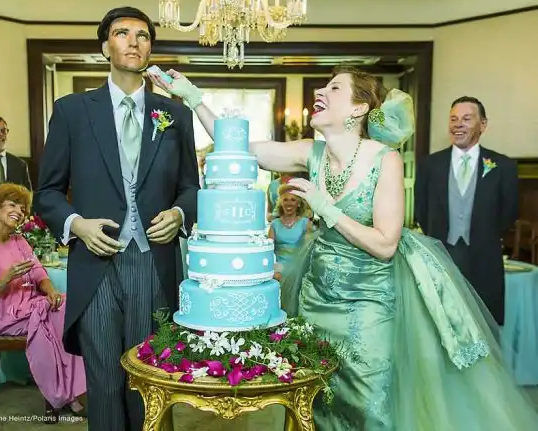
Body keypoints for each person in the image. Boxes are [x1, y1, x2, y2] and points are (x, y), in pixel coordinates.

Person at [148, 66, 538, 430]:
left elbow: (386, 244)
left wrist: (327, 210)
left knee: (368, 402)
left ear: (358, 108)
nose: (320, 91)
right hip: (317, 295)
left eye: (334, 88)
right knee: (318, 399)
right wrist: (194, 97)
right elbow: (240, 145)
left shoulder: (385, 160)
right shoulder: (311, 152)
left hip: (369, 301)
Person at [34, 7, 199, 430]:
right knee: (104, 381)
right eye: (122, 33)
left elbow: (190, 187)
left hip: (152, 261)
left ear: (150, 48)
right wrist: (77, 224)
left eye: (143, 35)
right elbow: (47, 192)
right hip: (95, 264)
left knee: (149, 378)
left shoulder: (175, 115)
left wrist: (179, 212)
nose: (133, 41)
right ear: (105, 46)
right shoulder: (72, 111)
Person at [0, 183, 85, 420]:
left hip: (27, 306)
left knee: (67, 306)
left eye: (22, 208)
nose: (19, 211)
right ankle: (62, 396)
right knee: (52, 317)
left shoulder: (18, 241)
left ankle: (67, 391)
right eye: (12, 205)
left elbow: (39, 272)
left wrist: (50, 291)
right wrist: (6, 278)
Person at [414, 96, 518, 325]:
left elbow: (509, 212)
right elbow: (420, 209)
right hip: (441, 258)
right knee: (440, 324)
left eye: (466, 119)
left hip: (485, 260)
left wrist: (485, 236)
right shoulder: (429, 165)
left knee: (484, 326)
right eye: (453, 119)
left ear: (483, 125)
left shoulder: (503, 166)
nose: (458, 124)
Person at [269, 183, 312, 275]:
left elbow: (308, 251)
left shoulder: (305, 223)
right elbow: (269, 251)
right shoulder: (274, 224)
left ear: (298, 204)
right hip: (278, 266)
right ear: (281, 203)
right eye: (285, 200)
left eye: (293, 200)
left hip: (298, 266)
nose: (289, 203)